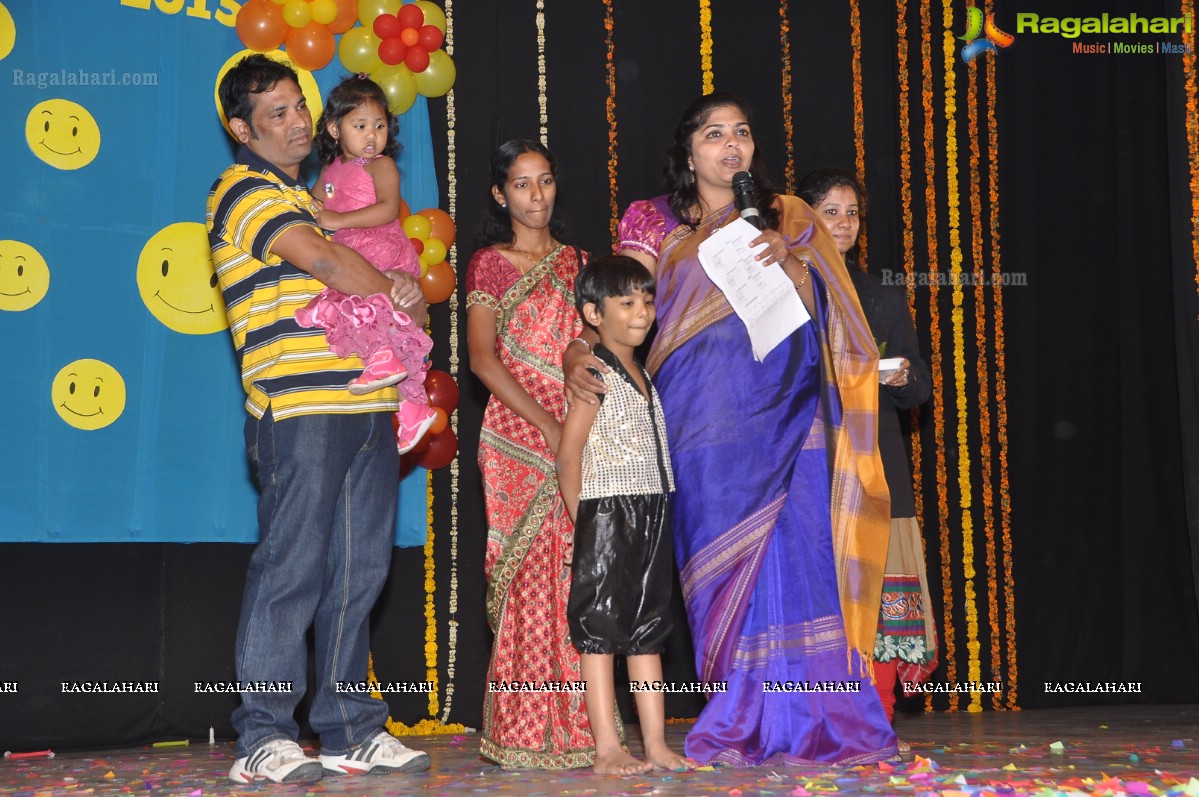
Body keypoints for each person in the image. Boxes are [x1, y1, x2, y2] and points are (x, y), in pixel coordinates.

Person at [565, 92, 897, 766]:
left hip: (787, 419)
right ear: (687, 153)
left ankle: (818, 712)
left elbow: (833, 314)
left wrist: (793, 259)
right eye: (713, 134)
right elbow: (625, 306)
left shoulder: (788, 218)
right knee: (719, 573)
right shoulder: (664, 231)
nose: (730, 145)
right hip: (701, 427)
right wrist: (579, 349)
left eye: (740, 133)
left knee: (796, 560)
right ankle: (740, 713)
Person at [208, 54, 429, 785]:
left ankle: (350, 728)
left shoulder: (310, 198)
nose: (297, 121)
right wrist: (394, 288)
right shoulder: (242, 190)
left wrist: (403, 287)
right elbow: (327, 265)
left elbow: (380, 277)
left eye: (299, 107)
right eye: (276, 112)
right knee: (292, 567)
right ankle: (264, 734)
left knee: (358, 569)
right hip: (299, 408)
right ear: (242, 128)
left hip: (368, 403)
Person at [466, 139, 595, 769]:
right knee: (525, 574)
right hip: (516, 433)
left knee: (577, 568)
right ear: (500, 194)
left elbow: (591, 344)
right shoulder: (490, 265)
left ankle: (584, 726)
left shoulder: (579, 263)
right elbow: (482, 358)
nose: (536, 195)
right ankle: (519, 727)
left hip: (579, 428)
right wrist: (544, 422)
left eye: (545, 181)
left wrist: (573, 421)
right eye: (521, 184)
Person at [797, 168, 938, 746]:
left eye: (852, 212)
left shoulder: (876, 292)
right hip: (806, 469)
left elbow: (920, 387)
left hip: (876, 466)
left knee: (880, 605)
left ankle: (873, 722)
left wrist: (902, 377)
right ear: (803, 218)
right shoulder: (786, 290)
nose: (844, 223)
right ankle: (811, 721)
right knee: (815, 603)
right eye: (829, 211)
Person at [556, 255, 696, 776]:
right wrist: (586, 521)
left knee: (648, 628)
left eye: (647, 301)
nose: (642, 313)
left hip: (654, 506)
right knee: (600, 630)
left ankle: (655, 743)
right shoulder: (593, 369)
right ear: (593, 313)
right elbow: (569, 457)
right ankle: (607, 747)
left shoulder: (643, 370)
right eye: (627, 303)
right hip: (609, 510)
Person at [293, 74, 437, 453]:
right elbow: (315, 205)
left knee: (372, 314)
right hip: (348, 250)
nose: (372, 135)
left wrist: (336, 221)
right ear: (334, 129)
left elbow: (388, 209)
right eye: (360, 126)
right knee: (349, 314)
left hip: (376, 245)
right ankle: (413, 409)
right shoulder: (328, 172)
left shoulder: (381, 166)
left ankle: (384, 359)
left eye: (380, 125)